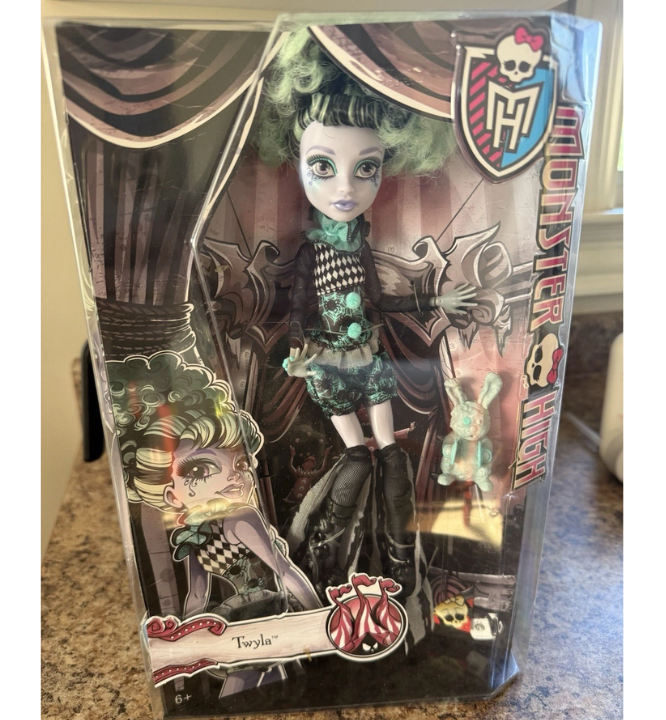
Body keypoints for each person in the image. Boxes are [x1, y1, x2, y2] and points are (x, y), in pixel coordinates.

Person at [256, 31, 487, 597]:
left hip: (368, 358)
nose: (345, 188)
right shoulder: (312, 252)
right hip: (328, 365)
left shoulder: (358, 246)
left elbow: (380, 302)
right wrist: (298, 351)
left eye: (366, 168)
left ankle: (402, 561)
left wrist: (437, 301)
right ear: (297, 163)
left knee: (391, 455)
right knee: (357, 455)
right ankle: (325, 563)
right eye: (322, 166)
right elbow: (297, 309)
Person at [108, 351, 321, 695]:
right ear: (170, 496)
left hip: (266, 608)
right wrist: (186, 638)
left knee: (243, 680)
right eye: (198, 470)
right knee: (267, 681)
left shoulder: (241, 518)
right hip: (244, 615)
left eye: (239, 464)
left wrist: (321, 620)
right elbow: (197, 595)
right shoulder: (193, 537)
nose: (232, 476)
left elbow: (283, 570)